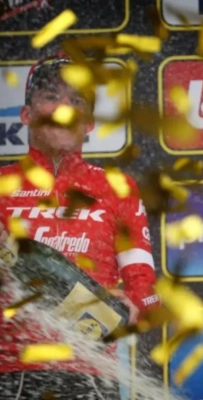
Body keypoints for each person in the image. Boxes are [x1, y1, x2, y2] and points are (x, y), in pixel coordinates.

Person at [0, 54, 160, 399]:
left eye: (76, 100)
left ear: (89, 123)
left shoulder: (118, 188)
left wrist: (133, 305)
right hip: (13, 373)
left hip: (91, 377)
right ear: (26, 115)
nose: (64, 109)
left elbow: (145, 290)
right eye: (51, 96)